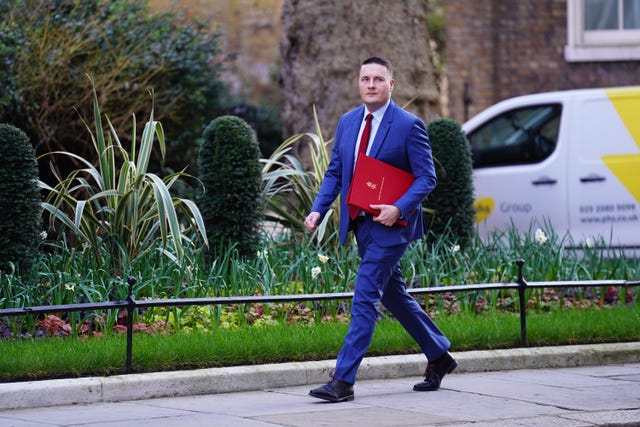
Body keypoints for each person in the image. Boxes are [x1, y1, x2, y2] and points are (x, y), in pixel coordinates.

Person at [304, 56, 456, 403]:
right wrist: (318, 209)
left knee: (365, 296)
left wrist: (398, 208)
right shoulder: (347, 122)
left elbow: (426, 177)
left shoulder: (409, 124)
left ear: (392, 85)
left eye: (378, 79)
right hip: (361, 226)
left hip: (392, 228)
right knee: (394, 296)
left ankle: (343, 380)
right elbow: (335, 173)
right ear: (359, 83)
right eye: (365, 79)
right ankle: (439, 355)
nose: (370, 84)